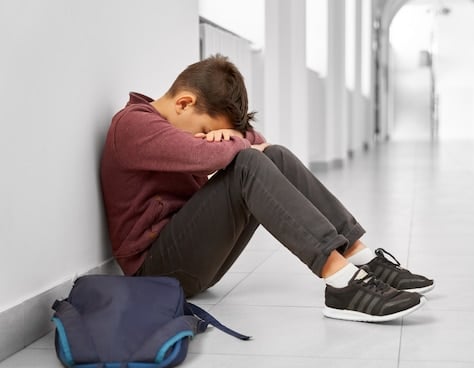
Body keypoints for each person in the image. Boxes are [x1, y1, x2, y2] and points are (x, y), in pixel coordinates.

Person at [100, 54, 435, 323]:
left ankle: (359, 256)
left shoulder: (172, 120)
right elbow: (203, 157)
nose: (203, 136)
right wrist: (235, 144)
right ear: (184, 103)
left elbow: (263, 145)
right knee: (247, 164)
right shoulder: (133, 124)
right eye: (205, 128)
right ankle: (341, 283)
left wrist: (234, 138)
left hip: (191, 261)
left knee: (275, 156)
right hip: (155, 271)